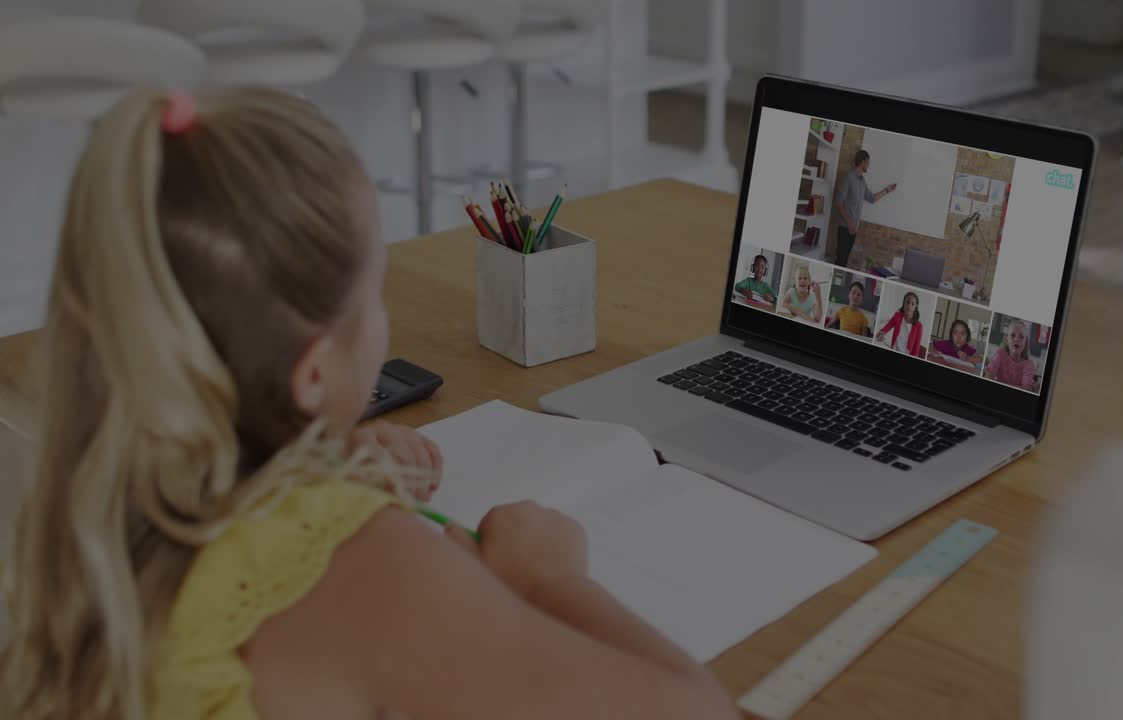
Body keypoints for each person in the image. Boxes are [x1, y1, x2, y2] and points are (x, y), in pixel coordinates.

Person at [0, 88, 737, 720]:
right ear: (315, 372)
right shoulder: (354, 565)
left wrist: (315, 465)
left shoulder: (90, 497)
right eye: (374, 294)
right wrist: (548, 579)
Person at [834, 149, 898, 268]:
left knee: (844, 261)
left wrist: (887, 190)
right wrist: (850, 223)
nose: (868, 165)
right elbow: (838, 203)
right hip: (845, 228)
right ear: (863, 162)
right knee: (840, 260)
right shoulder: (848, 178)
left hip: (853, 230)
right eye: (868, 162)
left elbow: (872, 198)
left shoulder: (862, 181)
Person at [984, 318, 1038, 390]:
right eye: (1013, 335)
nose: (1017, 339)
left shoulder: (1028, 365)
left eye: (1021, 337)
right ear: (1006, 340)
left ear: (1025, 343)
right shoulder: (999, 354)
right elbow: (988, 378)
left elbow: (1026, 390)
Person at [876, 291, 923, 356]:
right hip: (894, 349)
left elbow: (916, 347)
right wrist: (882, 332)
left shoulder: (919, 326)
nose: (909, 306)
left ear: (916, 307)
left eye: (912, 304)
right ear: (904, 303)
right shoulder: (897, 316)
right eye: (907, 302)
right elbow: (887, 326)